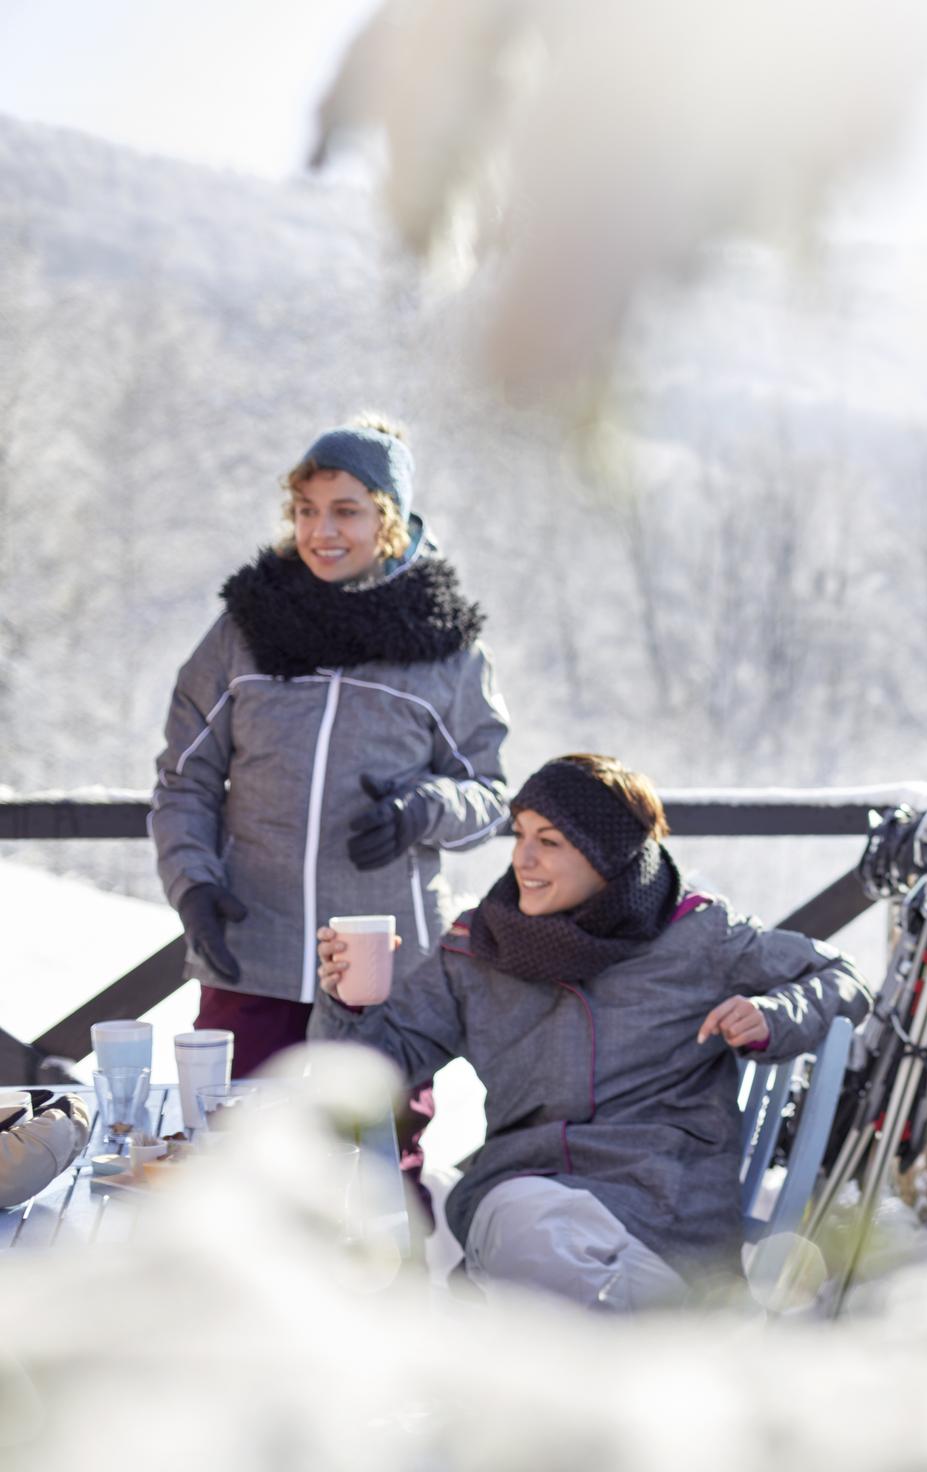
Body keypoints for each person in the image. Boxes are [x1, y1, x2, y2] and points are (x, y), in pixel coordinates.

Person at [311, 754, 870, 1309]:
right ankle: (645, 1362)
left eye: (550, 842)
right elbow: (374, 1067)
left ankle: (599, 1367)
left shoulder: (698, 934)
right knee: (536, 1240)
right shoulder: (481, 947)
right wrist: (348, 1002)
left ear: (610, 856)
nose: (523, 859)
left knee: (549, 1285)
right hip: (526, 1191)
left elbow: (841, 979)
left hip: (662, 1213)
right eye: (520, 835)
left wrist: (774, 1015)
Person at [150, 414, 510, 1201]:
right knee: (231, 1171)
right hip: (254, 949)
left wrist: (423, 810)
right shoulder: (246, 632)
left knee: (381, 1173)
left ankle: (394, 1313)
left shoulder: (444, 646)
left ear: (388, 518)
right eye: (307, 510)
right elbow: (183, 780)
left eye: (345, 510)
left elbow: (491, 796)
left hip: (382, 974)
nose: (321, 530)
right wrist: (193, 884)